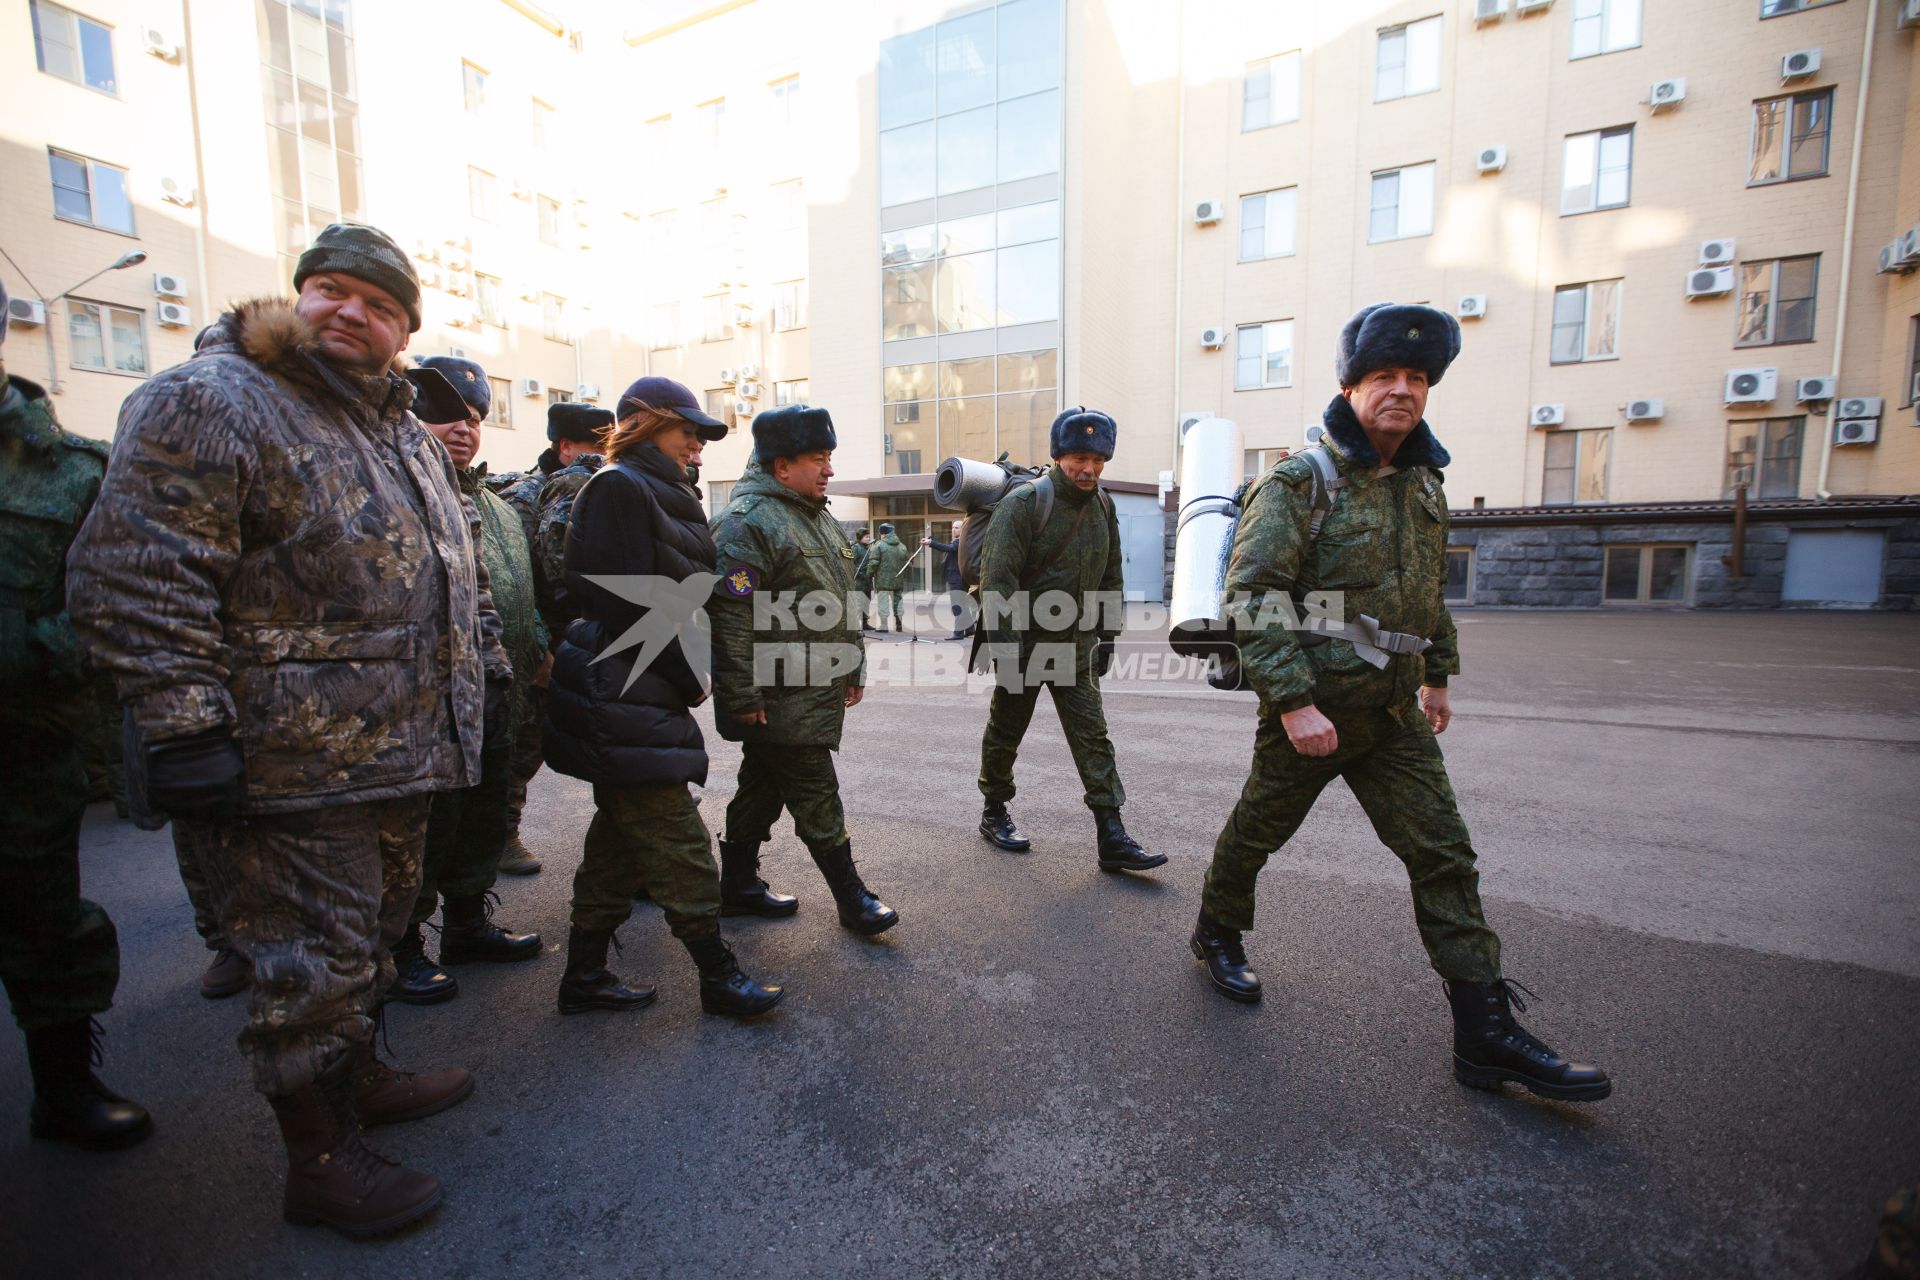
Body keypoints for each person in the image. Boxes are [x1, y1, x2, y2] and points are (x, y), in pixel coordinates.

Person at [69, 222, 511, 1235]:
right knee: (306, 963)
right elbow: (137, 571)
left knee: (372, 939)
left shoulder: (396, 427)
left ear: (404, 329)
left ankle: (362, 1076)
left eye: (384, 304)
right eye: (334, 290)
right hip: (286, 762)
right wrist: (184, 725)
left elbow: (457, 572)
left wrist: (477, 680)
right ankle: (318, 1157)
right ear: (298, 294)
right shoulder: (211, 400)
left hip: (397, 752)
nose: (355, 312)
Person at [1192, 302, 1610, 1103]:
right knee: (1257, 833)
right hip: (1314, 714)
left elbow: (1427, 596)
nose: (1401, 389)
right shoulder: (1299, 482)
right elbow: (1254, 597)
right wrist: (1290, 703)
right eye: (1383, 375)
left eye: (1416, 377)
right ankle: (1217, 928)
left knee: (1443, 855)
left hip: (1392, 717)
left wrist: (1437, 673)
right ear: (1351, 387)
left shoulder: (1423, 484)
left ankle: (1484, 1033)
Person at [543, 376, 783, 1017]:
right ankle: (718, 974)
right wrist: (689, 674)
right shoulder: (620, 486)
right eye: (689, 433)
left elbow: (685, 588)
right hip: (625, 686)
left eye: (703, 437)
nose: (699, 448)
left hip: (642, 688)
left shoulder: (664, 491)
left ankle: (584, 976)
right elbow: (624, 602)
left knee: (618, 846)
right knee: (678, 842)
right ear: (647, 426)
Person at [0, 275, 152, 1151]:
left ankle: (63, 1085)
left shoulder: (72, 471)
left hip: (24, 752)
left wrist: (25, 652)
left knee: (43, 919)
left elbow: (114, 605)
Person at [388, 360, 544, 1005]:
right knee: (423, 832)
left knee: (480, 819)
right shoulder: (396, 491)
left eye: (476, 419)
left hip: (496, 694)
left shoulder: (497, 509)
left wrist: (536, 654)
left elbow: (519, 591)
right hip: (423, 703)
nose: (464, 429)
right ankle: (402, 948)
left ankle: (467, 926)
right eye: (447, 416)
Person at [709, 404, 898, 937]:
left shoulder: (816, 515)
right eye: (819, 459)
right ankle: (851, 897)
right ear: (781, 464)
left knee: (761, 786)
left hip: (815, 685)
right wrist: (743, 694)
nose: (829, 469)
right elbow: (730, 616)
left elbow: (843, 599)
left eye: (830, 457)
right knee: (815, 790)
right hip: (777, 691)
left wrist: (853, 663)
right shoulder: (747, 524)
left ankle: (739, 885)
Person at [974, 407, 1164, 876]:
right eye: (1080, 457)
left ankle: (1111, 834)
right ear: (1059, 456)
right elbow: (997, 582)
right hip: (1024, 645)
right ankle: (994, 810)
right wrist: (1006, 651)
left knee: (1093, 738)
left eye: (1099, 461)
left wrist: (1108, 633)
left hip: (1075, 647)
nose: (1090, 469)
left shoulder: (1103, 504)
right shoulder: (1024, 505)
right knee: (1006, 731)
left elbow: (1112, 572)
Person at [490, 401, 613, 876]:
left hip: (586, 638)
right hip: (544, 640)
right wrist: (540, 644)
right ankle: (501, 834)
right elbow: (523, 580)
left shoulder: (595, 487)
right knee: (526, 742)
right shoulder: (524, 499)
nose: (607, 456)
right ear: (566, 448)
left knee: (611, 739)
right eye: (597, 446)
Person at [923, 522, 974, 640]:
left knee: (958, 606)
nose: (953, 530)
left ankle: (958, 633)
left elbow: (949, 548)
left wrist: (931, 543)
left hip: (958, 579)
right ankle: (970, 628)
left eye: (956, 527)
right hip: (957, 578)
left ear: (963, 529)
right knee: (963, 605)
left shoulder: (961, 541)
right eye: (952, 527)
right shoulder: (959, 541)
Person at [866, 523, 910, 633]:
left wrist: (869, 574)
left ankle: (884, 625)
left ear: (882, 533)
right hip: (897, 580)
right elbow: (907, 563)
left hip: (883, 580)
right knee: (898, 602)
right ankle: (899, 624)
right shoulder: (902, 546)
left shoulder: (879, 546)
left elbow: (873, 563)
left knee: (883, 602)